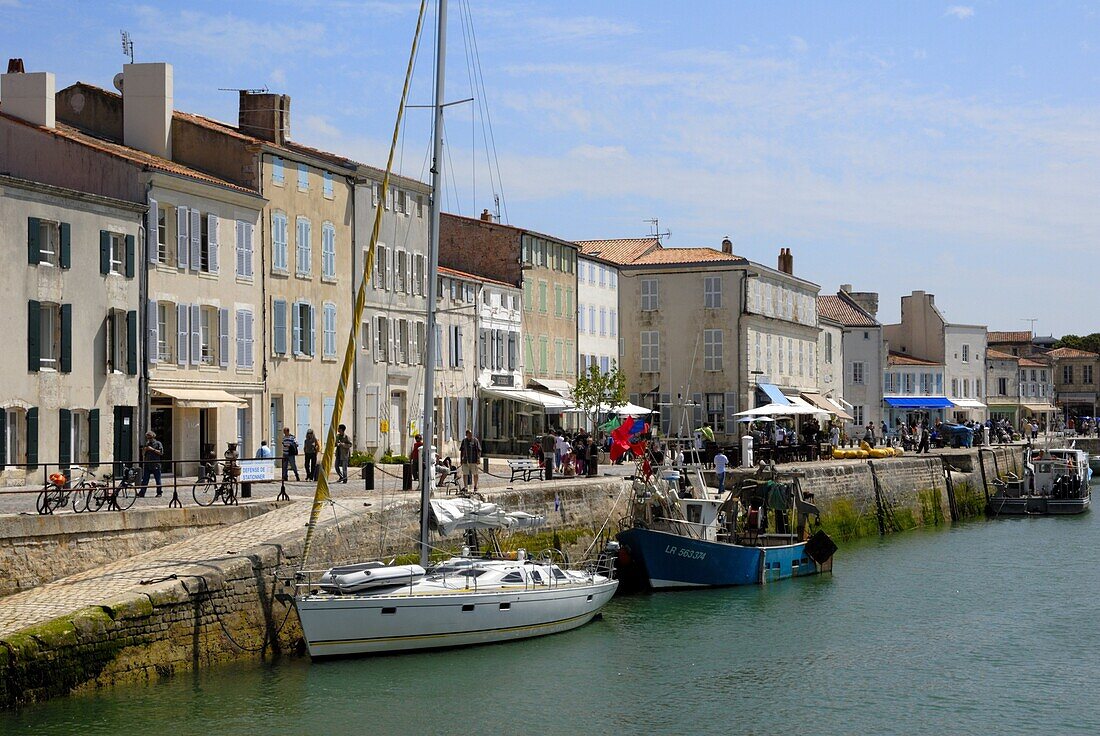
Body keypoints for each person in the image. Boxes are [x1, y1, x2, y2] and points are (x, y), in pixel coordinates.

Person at [138, 431, 164, 497]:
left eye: (150, 438)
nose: (149, 439)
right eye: (147, 438)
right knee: (145, 480)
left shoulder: (158, 443)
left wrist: (152, 449)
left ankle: (159, 493)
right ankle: (142, 493)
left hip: (155, 464)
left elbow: (161, 452)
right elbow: (143, 454)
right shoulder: (147, 444)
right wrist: (144, 450)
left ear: (153, 437)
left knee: (158, 480)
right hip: (147, 465)